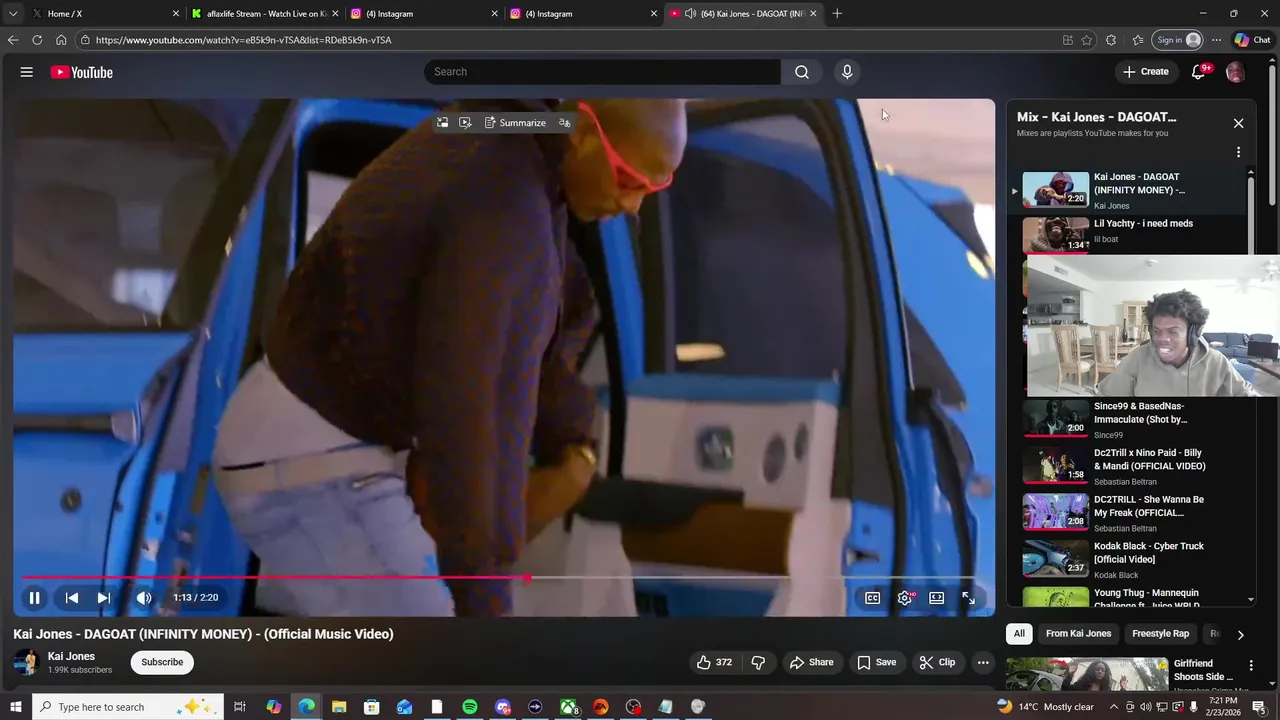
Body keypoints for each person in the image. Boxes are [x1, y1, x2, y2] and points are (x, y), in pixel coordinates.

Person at [211, 98, 688, 617]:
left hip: (305, 443)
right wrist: (483, 591)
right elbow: (467, 413)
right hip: (316, 456)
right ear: (581, 131)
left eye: (654, 187)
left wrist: (570, 442)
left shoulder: (510, 149)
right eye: (628, 179)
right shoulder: (503, 204)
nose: (634, 205)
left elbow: (530, 344)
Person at [1097, 290, 1258, 397]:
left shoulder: (1216, 362)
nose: (1162, 339)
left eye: (1173, 331)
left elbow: (1244, 394)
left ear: (1192, 334)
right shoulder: (1137, 358)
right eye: (1157, 330)